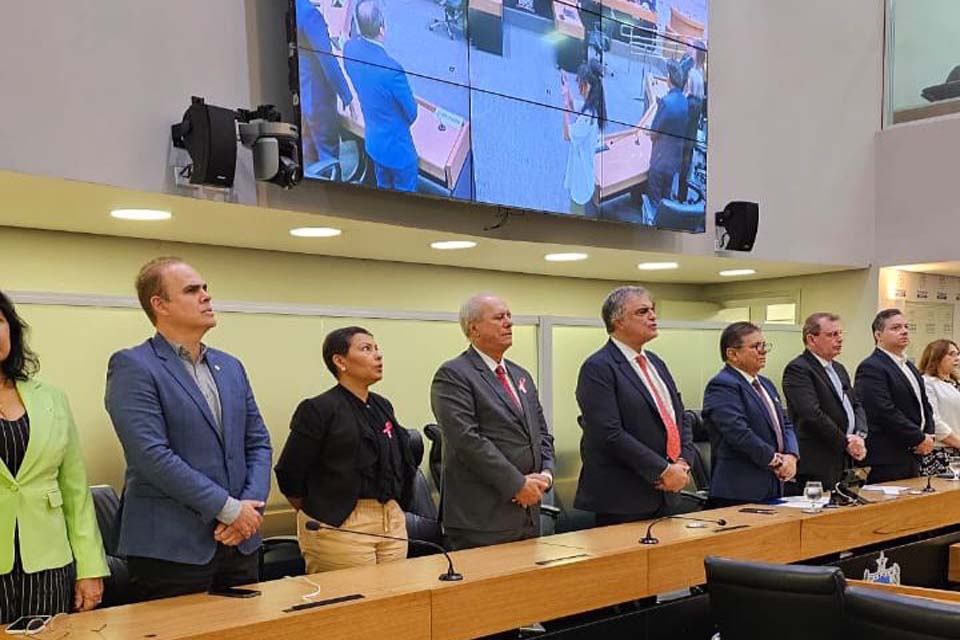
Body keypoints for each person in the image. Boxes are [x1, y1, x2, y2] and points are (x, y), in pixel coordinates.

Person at [105, 258, 272, 601]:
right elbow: (151, 455)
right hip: (170, 549)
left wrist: (248, 511)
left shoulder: (230, 367)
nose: (206, 297)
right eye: (192, 290)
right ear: (159, 304)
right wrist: (228, 509)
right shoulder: (133, 365)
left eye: (206, 288)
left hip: (240, 543)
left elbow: (257, 442)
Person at [0, 292, 108, 623]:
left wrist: (89, 567)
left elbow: (75, 490)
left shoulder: (51, 398)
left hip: (48, 562)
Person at [275, 326, 419, 573]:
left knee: (395, 601)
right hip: (340, 521)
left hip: (390, 518)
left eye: (376, 348)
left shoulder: (382, 406)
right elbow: (290, 472)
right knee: (352, 603)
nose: (378, 355)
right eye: (366, 349)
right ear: (340, 361)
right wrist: (321, 510)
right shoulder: (319, 409)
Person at [430, 294, 554, 550]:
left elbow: (540, 432)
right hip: (481, 518)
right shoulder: (454, 374)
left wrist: (546, 474)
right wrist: (516, 484)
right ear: (473, 328)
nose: (508, 323)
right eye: (499, 317)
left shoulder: (520, 375)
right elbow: (466, 440)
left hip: (528, 511)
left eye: (509, 316)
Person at [574, 286, 694, 525]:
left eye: (652, 309)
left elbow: (679, 418)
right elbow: (608, 433)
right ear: (617, 321)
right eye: (642, 311)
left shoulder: (656, 363)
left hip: (667, 493)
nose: (652, 316)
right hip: (623, 497)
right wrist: (662, 470)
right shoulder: (598, 367)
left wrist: (682, 462)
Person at [703, 322, 799, 507]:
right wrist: (775, 461)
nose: (763, 351)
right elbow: (738, 432)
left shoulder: (766, 384)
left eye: (764, 345)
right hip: (739, 490)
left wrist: (791, 456)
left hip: (773, 484)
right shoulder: (722, 385)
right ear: (732, 354)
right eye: (756, 347)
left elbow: (785, 424)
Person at [782, 313, 867, 493]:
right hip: (818, 459)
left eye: (840, 334)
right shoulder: (799, 369)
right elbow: (812, 413)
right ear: (811, 339)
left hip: (845, 458)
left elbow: (856, 405)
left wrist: (859, 435)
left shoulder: (838, 368)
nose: (839, 339)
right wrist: (845, 442)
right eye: (832, 335)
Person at [343, 0, 419, 192]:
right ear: (382, 29)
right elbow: (412, 114)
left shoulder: (349, 49)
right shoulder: (392, 70)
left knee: (383, 191)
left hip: (374, 145)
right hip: (398, 152)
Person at [855, 309, 935, 484]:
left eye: (906, 327)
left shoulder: (909, 366)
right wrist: (918, 438)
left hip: (914, 453)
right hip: (888, 456)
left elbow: (924, 405)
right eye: (896, 328)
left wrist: (929, 435)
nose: (904, 331)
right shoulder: (872, 367)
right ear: (878, 335)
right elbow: (882, 410)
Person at [296, 0, 358, 178]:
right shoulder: (310, 15)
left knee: (309, 149)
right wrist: (347, 96)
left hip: (304, 92)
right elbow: (328, 63)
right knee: (328, 158)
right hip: (318, 100)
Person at [645, 60, 689, 224]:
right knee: (667, 200)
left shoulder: (665, 102)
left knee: (655, 203)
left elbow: (653, 134)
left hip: (659, 160)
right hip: (673, 162)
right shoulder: (684, 101)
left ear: (669, 78)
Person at [561, 60, 607, 217]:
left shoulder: (588, 117)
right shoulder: (593, 105)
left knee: (576, 213)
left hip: (581, 178)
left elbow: (567, 135)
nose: (578, 88)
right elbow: (575, 105)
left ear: (586, 85)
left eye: (579, 84)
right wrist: (567, 92)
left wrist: (564, 109)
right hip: (585, 171)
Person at [918, 339, 960, 472]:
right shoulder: (928, 383)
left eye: (958, 354)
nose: (957, 358)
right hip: (942, 451)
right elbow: (934, 420)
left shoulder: (954, 383)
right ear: (937, 357)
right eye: (951, 354)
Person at [676, 41, 705, 203]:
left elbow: (686, 93)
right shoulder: (701, 71)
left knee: (683, 160)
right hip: (693, 128)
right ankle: (682, 195)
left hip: (687, 126)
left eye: (692, 48)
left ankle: (680, 196)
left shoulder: (693, 73)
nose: (689, 49)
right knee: (686, 160)